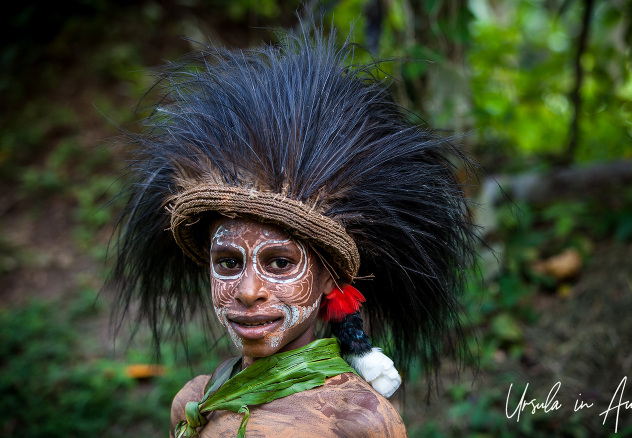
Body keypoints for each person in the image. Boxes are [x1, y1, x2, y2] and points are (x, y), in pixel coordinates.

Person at [110, 25, 477, 438]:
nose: (248, 291)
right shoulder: (195, 404)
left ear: (329, 279)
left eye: (280, 262)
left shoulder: (357, 422)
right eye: (228, 263)